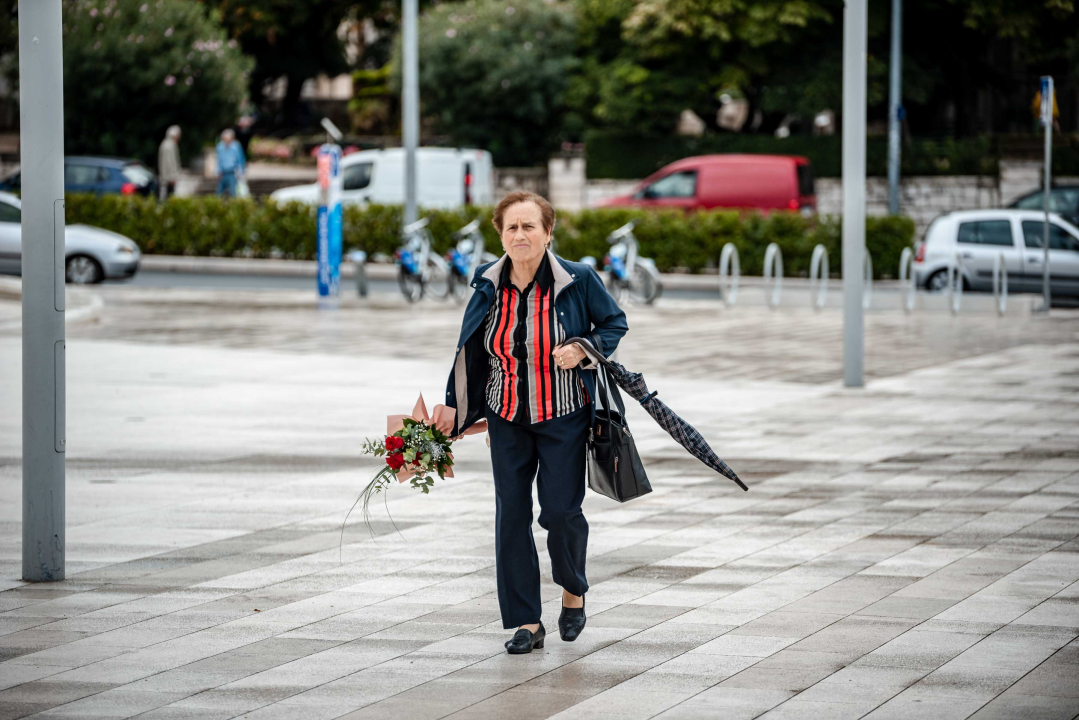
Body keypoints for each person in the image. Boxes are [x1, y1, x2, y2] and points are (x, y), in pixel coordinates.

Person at [444, 191, 628, 654]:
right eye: (512, 227)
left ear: (548, 232)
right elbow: (470, 351)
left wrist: (583, 348)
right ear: (499, 234)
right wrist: (459, 414)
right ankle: (526, 621)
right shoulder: (487, 282)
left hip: (563, 415)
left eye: (529, 226)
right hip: (507, 417)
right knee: (511, 518)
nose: (520, 235)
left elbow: (614, 323)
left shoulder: (577, 279)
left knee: (561, 513)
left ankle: (572, 590)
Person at [215, 129, 246, 197]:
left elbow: (240, 160)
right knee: (218, 193)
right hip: (223, 173)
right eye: (225, 139)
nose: (226, 140)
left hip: (233, 173)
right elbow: (219, 160)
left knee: (233, 193)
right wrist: (217, 171)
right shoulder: (220, 147)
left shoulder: (236, 146)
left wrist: (241, 172)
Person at [157, 125, 181, 201]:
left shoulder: (167, 144)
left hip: (166, 178)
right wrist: (172, 177)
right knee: (167, 199)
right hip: (168, 179)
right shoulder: (169, 145)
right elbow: (170, 162)